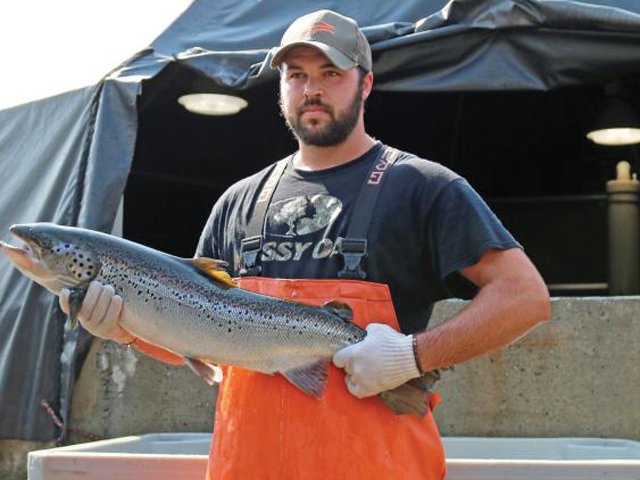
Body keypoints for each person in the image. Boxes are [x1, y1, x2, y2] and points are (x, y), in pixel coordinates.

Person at [60, 9, 550, 480]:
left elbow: (524, 297)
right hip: (246, 468)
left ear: (366, 83)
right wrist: (125, 326)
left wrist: (413, 357)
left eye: (331, 72)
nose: (312, 89)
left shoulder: (423, 187)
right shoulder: (238, 202)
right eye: (296, 74)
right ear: (281, 87)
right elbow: (197, 342)